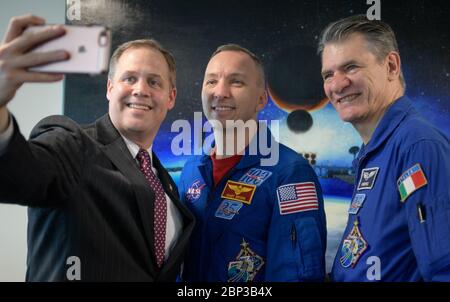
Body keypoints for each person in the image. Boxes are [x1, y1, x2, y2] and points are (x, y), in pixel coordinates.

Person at [0, 15, 195, 281]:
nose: (140, 90)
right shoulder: (72, 144)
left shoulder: (167, 186)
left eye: (154, 82)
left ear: (170, 97)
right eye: (129, 78)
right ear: (109, 88)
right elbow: (17, 174)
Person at [178, 44, 327, 282]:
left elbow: (297, 275)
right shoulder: (191, 170)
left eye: (236, 82)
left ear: (261, 100)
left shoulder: (289, 173)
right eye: (211, 81)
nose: (220, 92)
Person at [318, 15, 450, 281]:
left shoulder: (417, 145)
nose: (337, 84)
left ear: (391, 66)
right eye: (328, 74)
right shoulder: (378, 150)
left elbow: (443, 268)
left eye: (351, 67)